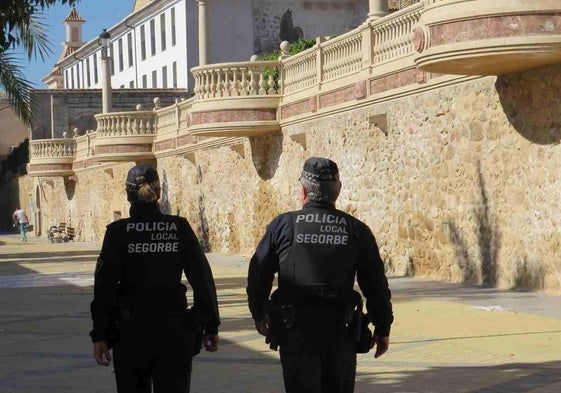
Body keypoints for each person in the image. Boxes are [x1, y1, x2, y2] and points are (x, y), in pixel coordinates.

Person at [247, 157, 393, 393]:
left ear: (303, 191)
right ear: (338, 191)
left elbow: (258, 274)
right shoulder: (356, 230)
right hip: (341, 333)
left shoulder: (283, 226)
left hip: (295, 332)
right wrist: (382, 327)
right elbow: (375, 285)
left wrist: (259, 312)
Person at [90, 164, 220, 393]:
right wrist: (210, 325)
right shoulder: (178, 228)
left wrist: (100, 334)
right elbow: (202, 279)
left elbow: (104, 288)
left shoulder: (118, 232)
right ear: (159, 193)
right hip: (173, 330)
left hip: (131, 333)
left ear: (128, 194)